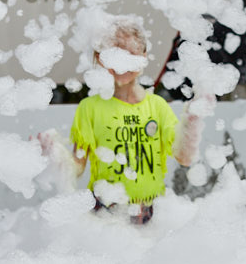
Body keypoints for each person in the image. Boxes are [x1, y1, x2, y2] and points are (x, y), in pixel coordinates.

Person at [70, 16, 211, 224]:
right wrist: (53, 158)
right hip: (105, 214)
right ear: (101, 58)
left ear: (144, 56)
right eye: (116, 54)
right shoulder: (90, 108)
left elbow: (184, 157)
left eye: (131, 54)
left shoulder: (157, 106)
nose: (123, 63)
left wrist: (194, 117)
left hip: (151, 213)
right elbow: (77, 167)